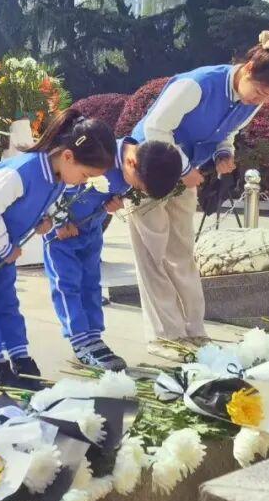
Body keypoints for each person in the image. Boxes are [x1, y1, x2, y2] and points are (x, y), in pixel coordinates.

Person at [130, 26, 269, 348]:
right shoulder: (197, 85)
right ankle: (166, 336)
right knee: (153, 255)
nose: (259, 101)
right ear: (249, 68)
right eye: (260, 92)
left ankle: (194, 330)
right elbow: (156, 128)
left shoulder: (252, 99)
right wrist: (185, 168)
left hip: (185, 176)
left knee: (182, 254)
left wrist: (223, 153)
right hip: (148, 171)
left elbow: (227, 131)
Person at [0, 108, 117, 388]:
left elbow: (43, 204)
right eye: (85, 174)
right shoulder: (19, 172)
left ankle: (20, 356)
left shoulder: (57, 176)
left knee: (8, 302)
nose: (84, 182)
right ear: (68, 156)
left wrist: (45, 222)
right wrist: (4, 248)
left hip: (6, 247)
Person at [43, 137, 182, 371]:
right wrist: (59, 221)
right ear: (131, 163)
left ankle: (94, 338)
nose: (136, 189)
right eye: (138, 185)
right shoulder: (97, 153)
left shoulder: (140, 163)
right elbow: (55, 183)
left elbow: (114, 190)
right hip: (63, 234)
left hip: (91, 228)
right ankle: (80, 342)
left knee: (91, 283)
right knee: (67, 285)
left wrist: (112, 203)